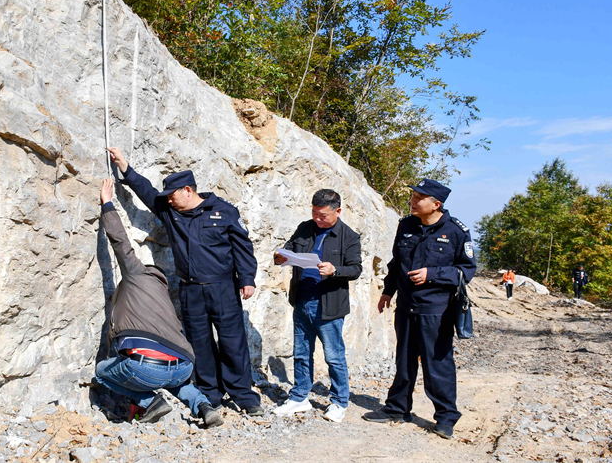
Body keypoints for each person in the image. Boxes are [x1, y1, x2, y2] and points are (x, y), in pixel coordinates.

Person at [106, 147, 264, 416]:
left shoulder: (224, 211)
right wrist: (125, 168)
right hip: (191, 289)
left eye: (173, 195)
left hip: (222, 287)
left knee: (232, 341)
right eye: (167, 197)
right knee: (199, 343)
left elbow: (242, 247)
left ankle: (244, 396)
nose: (168, 200)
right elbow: (146, 192)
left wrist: (247, 278)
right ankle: (210, 393)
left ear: (188, 191)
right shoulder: (171, 212)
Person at [94, 179, 224, 428]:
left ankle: (150, 403)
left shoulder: (136, 274)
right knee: (177, 381)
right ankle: (204, 407)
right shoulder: (163, 295)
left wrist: (107, 203)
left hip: (147, 368)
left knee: (102, 371)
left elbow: (121, 243)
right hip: (184, 366)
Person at [363, 179, 476, 440]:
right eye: (413, 195)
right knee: (403, 359)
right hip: (406, 305)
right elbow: (396, 262)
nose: (413, 201)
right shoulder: (406, 225)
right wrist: (388, 291)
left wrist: (432, 274)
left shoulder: (456, 231)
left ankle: (446, 417)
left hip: (437, 308)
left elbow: (466, 270)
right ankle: (397, 409)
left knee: (437, 363)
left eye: (419, 197)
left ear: (436, 204)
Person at [272, 189, 362, 423]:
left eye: (322, 215)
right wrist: (280, 257)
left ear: (338, 211)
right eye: (314, 213)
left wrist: (335, 270)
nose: (317, 218)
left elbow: (356, 269)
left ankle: (339, 401)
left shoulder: (349, 236)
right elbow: (288, 249)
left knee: (334, 357)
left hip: (329, 306)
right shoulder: (305, 227)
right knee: (301, 353)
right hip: (302, 300)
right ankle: (300, 396)